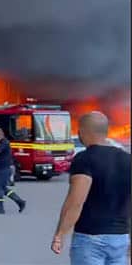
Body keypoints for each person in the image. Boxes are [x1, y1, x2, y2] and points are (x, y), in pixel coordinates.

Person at [51, 111, 131, 264]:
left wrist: (59, 234)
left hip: (90, 239)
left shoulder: (84, 159)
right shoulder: (127, 159)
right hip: (120, 238)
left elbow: (75, 202)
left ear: (83, 132)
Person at [0, 127, 26, 214]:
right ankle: (20, 201)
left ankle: (0, 209)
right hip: (0, 169)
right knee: (3, 188)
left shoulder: (4, 142)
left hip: (2, 169)